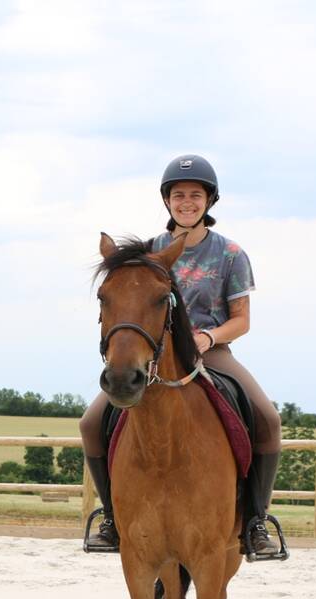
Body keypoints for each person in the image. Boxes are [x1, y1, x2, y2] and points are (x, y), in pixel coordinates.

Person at [81, 154, 283, 558]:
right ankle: (112, 517)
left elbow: (241, 320)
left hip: (213, 352)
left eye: (195, 195)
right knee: (90, 423)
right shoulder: (149, 251)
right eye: (178, 195)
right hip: (156, 356)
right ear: (167, 200)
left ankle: (256, 522)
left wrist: (209, 337)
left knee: (268, 419)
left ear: (209, 201)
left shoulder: (230, 254)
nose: (186, 202)